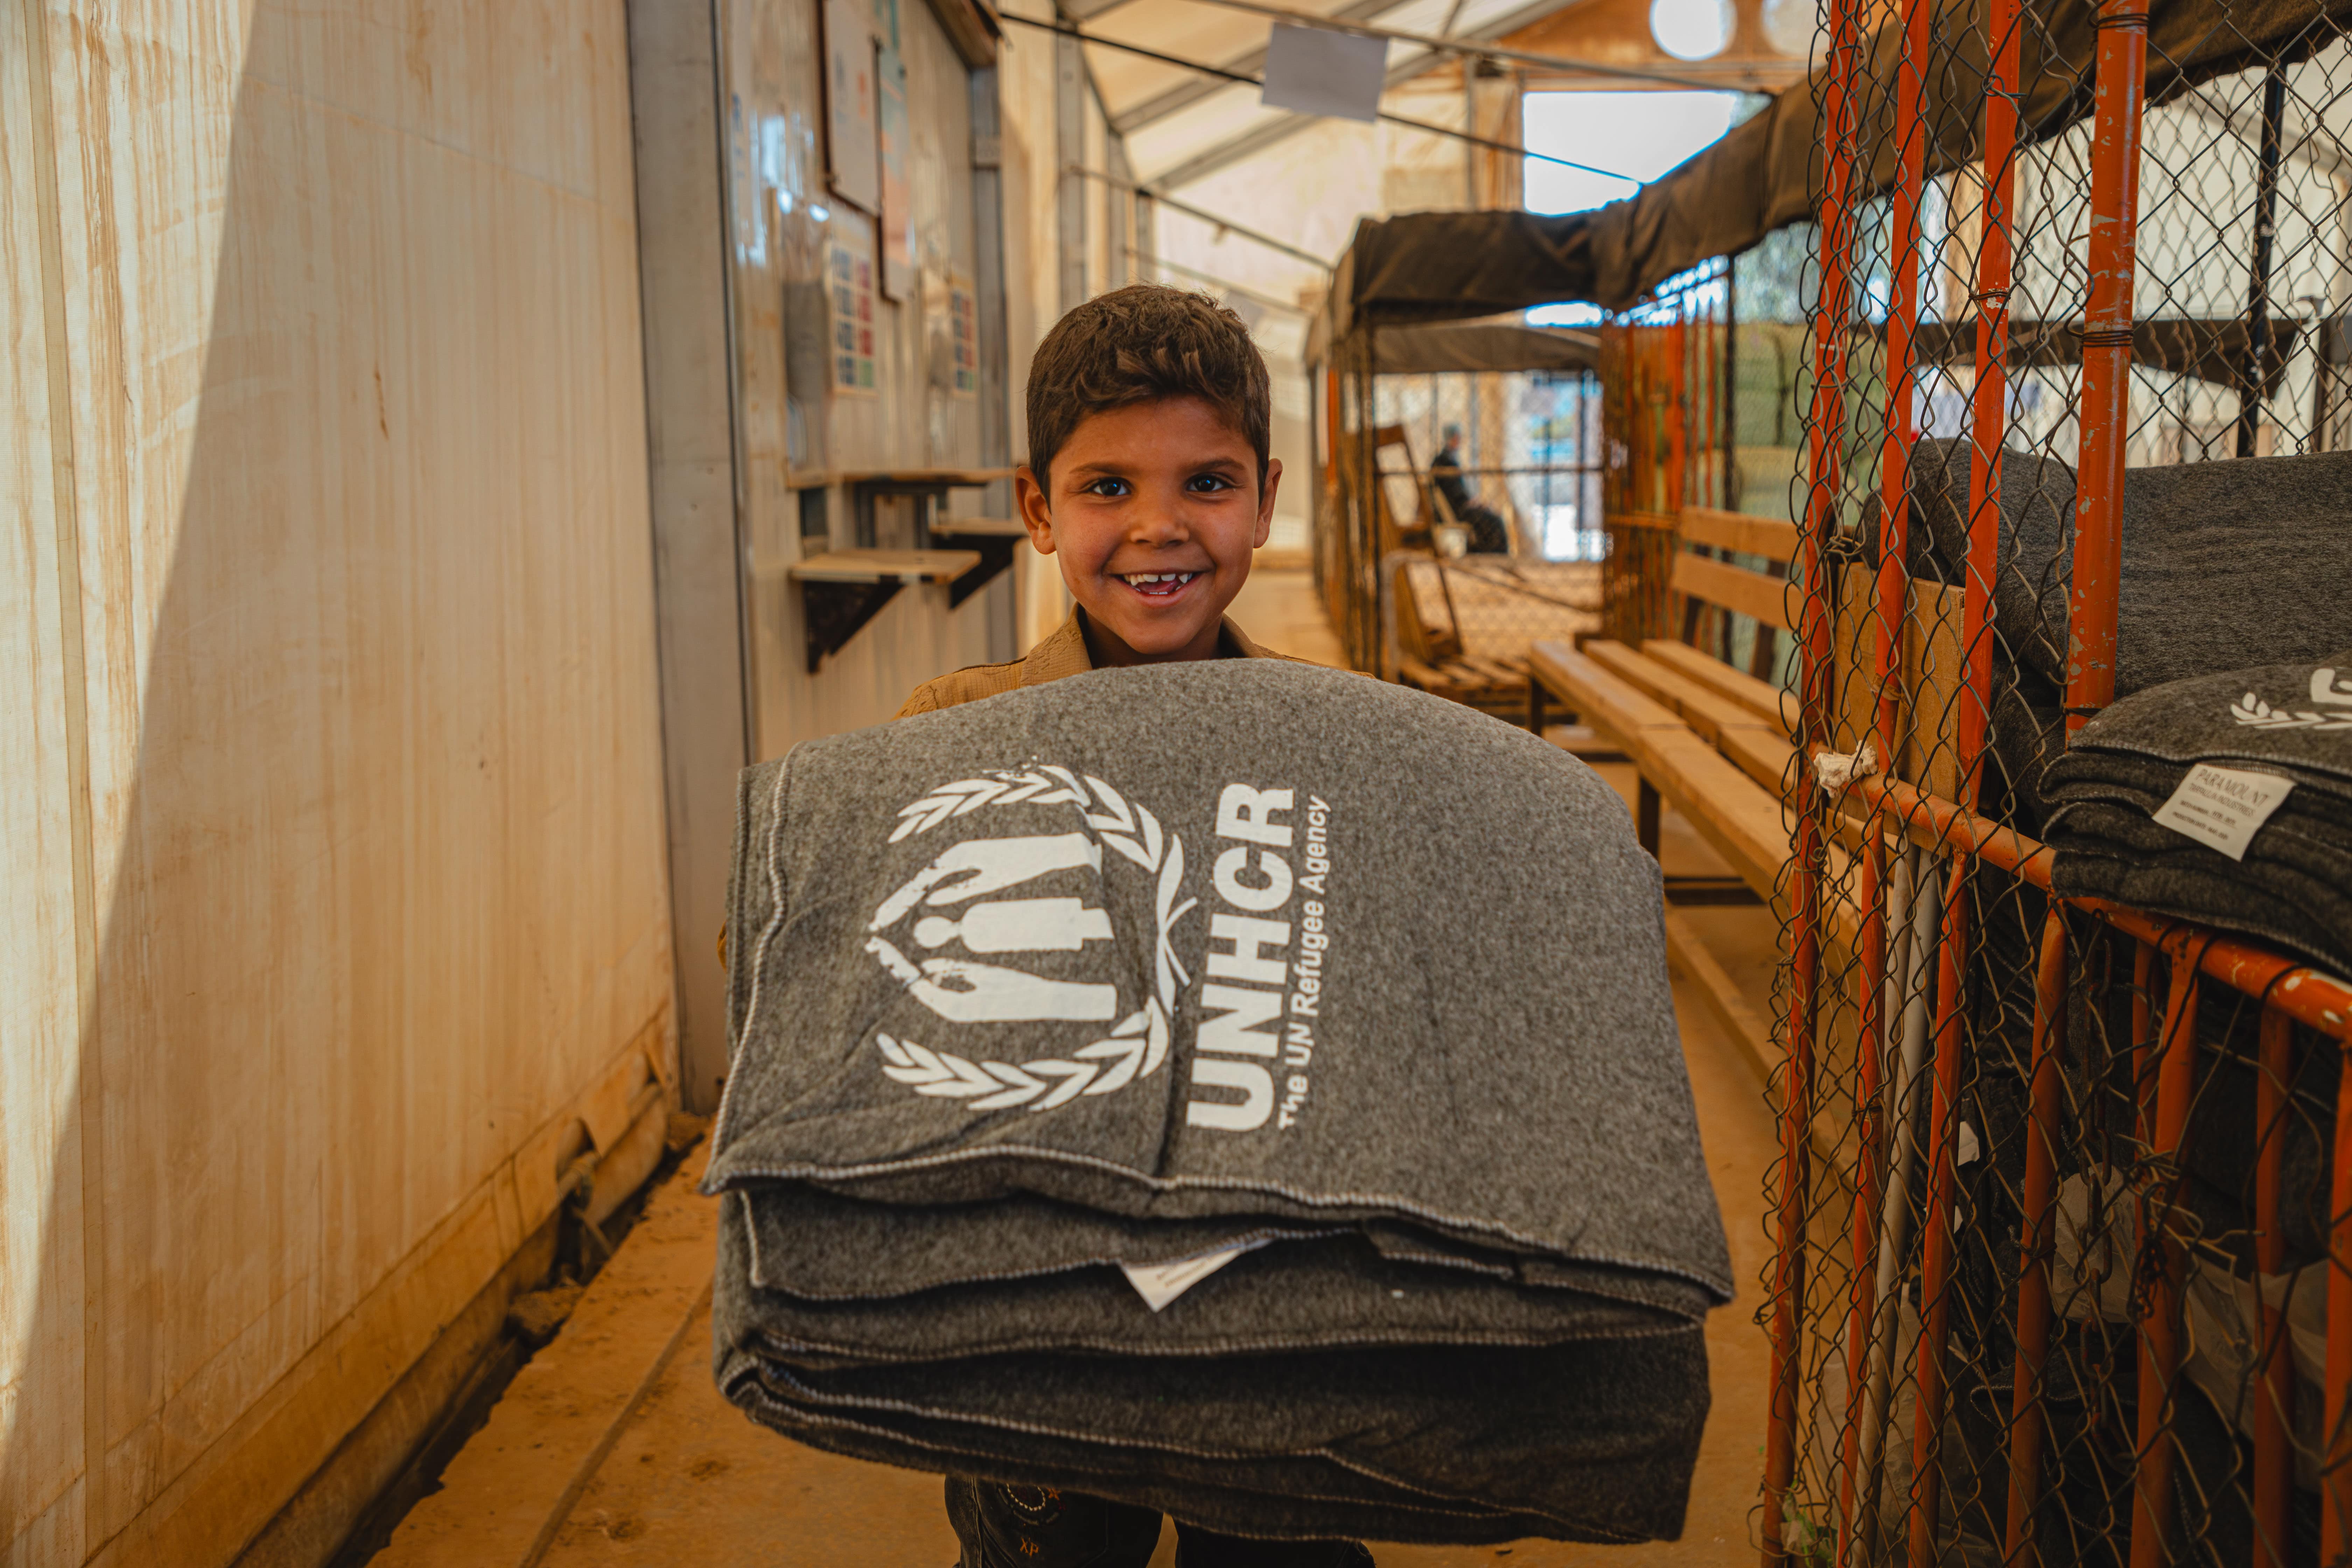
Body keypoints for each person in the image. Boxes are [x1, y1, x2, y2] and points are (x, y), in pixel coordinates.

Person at [895, 284, 1373, 1568]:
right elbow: (804, 971)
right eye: (1105, 487)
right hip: (1041, 1323)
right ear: (1037, 508)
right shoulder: (953, 733)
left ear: (1263, 497)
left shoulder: (1343, 748)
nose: (1158, 527)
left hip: (1271, 1305)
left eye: (1204, 481)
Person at [1427, 424, 1510, 554]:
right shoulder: (1446, 461)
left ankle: (1487, 551)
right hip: (1459, 510)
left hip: (1458, 508)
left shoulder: (1445, 460)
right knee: (1495, 520)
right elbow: (1455, 495)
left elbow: (1455, 492)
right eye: (1457, 438)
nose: (1459, 441)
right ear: (1454, 438)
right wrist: (1472, 503)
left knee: (1489, 517)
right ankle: (1495, 554)